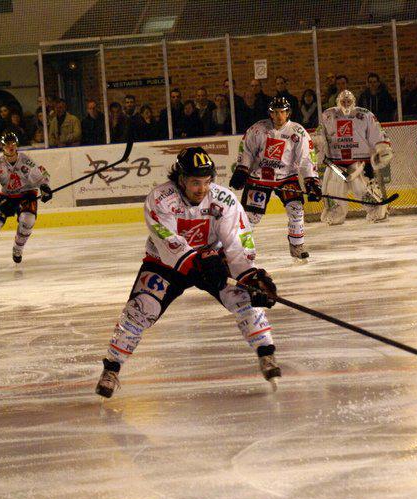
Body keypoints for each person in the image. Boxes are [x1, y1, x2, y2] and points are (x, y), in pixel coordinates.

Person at [94, 147, 281, 398]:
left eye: (206, 181)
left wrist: (249, 275)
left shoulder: (223, 200)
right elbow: (168, 240)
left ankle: (267, 354)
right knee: (141, 309)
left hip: (212, 260)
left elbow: (237, 240)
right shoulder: (161, 198)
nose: (201, 189)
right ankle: (111, 369)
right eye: (195, 182)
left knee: (245, 298)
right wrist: (195, 262)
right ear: (181, 179)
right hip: (165, 263)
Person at [230, 96, 319, 260]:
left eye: (282, 112)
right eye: (275, 112)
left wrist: (311, 180)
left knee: (296, 209)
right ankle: (241, 249)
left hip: (286, 178)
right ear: (270, 113)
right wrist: (242, 169)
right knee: (251, 217)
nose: (279, 116)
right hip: (259, 178)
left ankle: (297, 246)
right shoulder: (258, 129)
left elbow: (306, 157)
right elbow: (247, 150)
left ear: (288, 113)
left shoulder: (298, 132)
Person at [0, 131, 53, 268]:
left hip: (26, 193)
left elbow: (41, 174)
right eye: (7, 144)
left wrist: (45, 187)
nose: (11, 146)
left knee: (28, 219)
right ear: (2, 147)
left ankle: (18, 249)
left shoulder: (26, 161)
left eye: (13, 143)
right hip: (5, 196)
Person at [313, 90, 393, 225]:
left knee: (362, 188)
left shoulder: (365, 115)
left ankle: (378, 211)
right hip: (336, 163)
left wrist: (382, 149)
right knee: (333, 189)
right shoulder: (328, 115)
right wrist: (316, 143)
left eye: (348, 101)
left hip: (360, 161)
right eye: (343, 101)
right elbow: (320, 134)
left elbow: (377, 133)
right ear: (338, 102)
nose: (346, 104)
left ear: (354, 102)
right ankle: (335, 214)